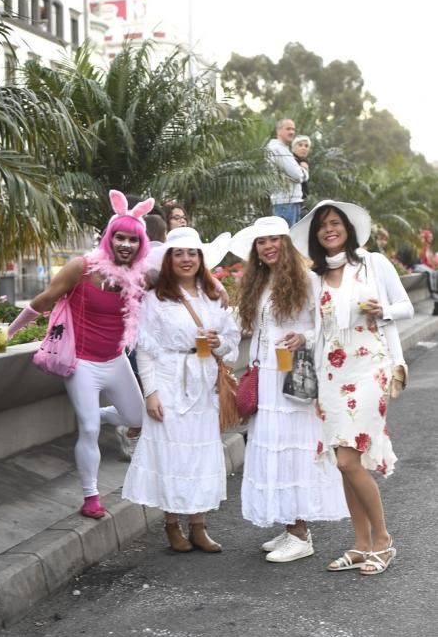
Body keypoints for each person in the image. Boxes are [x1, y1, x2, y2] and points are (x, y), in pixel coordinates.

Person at [8, 190, 154, 519]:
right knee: (87, 430)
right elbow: (44, 300)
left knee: (139, 420)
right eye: (120, 237)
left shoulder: (140, 278)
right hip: (82, 362)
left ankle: (99, 415)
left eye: (133, 239)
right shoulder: (82, 268)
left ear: (141, 244)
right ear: (109, 237)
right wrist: (10, 332)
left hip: (115, 360)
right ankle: (91, 497)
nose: (126, 245)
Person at [290, 200, 414, 574]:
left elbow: (405, 305)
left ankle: (384, 541)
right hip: (331, 373)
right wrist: (302, 337)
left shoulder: (372, 264)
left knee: (348, 458)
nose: (329, 230)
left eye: (335, 223)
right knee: (345, 464)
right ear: (316, 237)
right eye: (322, 227)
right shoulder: (315, 279)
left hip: (370, 366)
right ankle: (361, 544)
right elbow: (322, 329)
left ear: (347, 228)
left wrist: (383, 311)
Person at [230, 216, 348, 563]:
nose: (268, 247)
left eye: (274, 240)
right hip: (268, 376)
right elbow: (256, 331)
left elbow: (329, 325)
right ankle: (290, 526)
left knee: (293, 450)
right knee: (273, 449)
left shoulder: (310, 281)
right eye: (261, 242)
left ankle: (301, 534)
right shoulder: (261, 283)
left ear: (286, 242)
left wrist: (304, 338)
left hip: (295, 375)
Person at [122, 227, 240, 553]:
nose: (186, 259)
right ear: (169, 259)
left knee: (200, 455)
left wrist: (221, 343)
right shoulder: (154, 299)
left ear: (200, 259)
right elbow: (144, 350)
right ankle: (172, 525)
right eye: (179, 253)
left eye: (192, 253)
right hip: (169, 380)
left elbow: (231, 343)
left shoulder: (214, 297)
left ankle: (199, 526)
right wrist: (151, 394)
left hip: (204, 383)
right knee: (171, 455)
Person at [266, 118, 308, 227]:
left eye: (293, 129)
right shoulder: (278, 149)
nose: (292, 132)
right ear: (278, 131)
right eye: (288, 129)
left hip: (287, 202)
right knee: (288, 239)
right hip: (285, 203)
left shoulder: (283, 149)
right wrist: (305, 170)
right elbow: (297, 175)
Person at [291, 134, 311, 203]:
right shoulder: (291, 161)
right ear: (293, 148)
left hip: (301, 201)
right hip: (291, 201)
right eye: (300, 145)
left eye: (306, 146)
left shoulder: (304, 162)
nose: (304, 148)